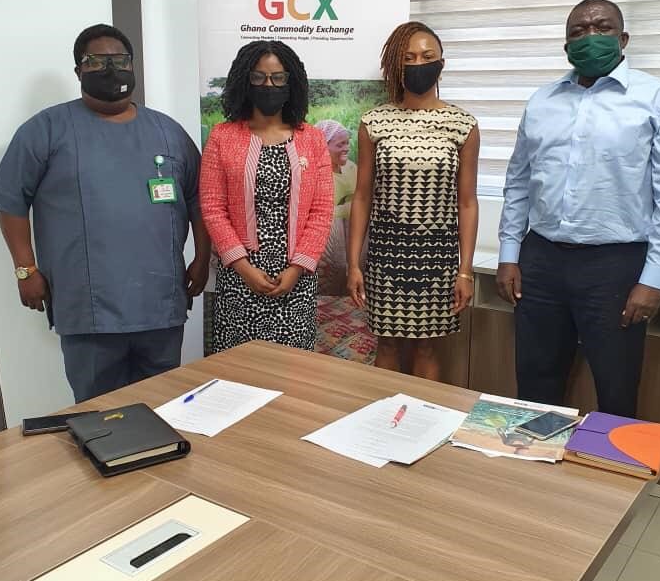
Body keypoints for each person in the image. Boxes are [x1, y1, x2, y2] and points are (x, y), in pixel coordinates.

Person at [0, 24, 210, 402]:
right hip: (89, 310)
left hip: (160, 305)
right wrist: (25, 269)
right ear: (78, 71)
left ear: (132, 65)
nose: (110, 69)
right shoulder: (46, 130)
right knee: (98, 414)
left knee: (163, 408)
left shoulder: (168, 132)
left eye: (119, 60)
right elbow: (10, 201)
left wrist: (201, 259)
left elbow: (199, 200)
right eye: (96, 61)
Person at [496, 0, 660, 417]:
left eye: (602, 28)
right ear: (566, 46)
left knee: (616, 388)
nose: (590, 36)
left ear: (623, 39)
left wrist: (654, 280)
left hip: (615, 267)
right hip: (541, 260)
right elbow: (518, 182)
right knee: (534, 383)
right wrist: (509, 255)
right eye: (578, 31)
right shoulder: (542, 102)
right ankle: (534, 457)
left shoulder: (659, 100)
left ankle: (601, 464)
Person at [347, 21, 480, 381]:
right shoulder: (374, 122)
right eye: (408, 58)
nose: (418, 63)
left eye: (426, 56)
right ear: (395, 65)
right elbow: (362, 197)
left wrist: (465, 270)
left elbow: (467, 203)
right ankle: (383, 415)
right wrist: (353, 264)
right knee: (387, 345)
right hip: (386, 254)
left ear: (441, 63)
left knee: (428, 348)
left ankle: (423, 415)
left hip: (438, 255)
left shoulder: (462, 125)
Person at [200, 40, 333, 353]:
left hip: (295, 277)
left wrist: (296, 269)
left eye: (278, 78)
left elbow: (322, 210)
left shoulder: (312, 139)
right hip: (240, 276)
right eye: (258, 77)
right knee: (238, 369)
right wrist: (244, 268)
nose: (268, 85)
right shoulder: (222, 136)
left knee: (292, 370)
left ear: (291, 82)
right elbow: (212, 207)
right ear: (245, 82)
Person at [315, 119, 358, 294]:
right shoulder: (315, 173)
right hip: (327, 233)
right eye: (340, 144)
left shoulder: (351, 168)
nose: (346, 148)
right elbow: (317, 214)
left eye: (347, 143)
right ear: (324, 146)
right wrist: (348, 209)